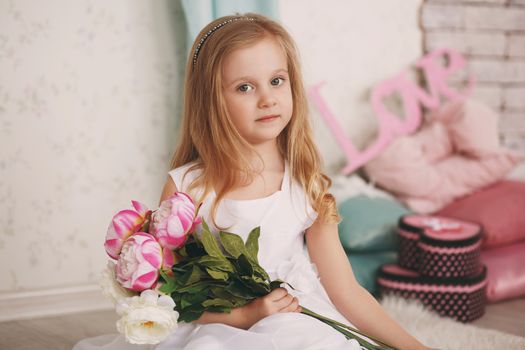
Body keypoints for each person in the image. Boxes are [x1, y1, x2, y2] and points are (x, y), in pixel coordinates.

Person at [74, 13, 436, 350]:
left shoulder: (306, 184)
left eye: (277, 81)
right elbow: (168, 296)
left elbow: (345, 291)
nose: (267, 99)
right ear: (212, 101)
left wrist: (414, 347)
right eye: (245, 87)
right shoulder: (189, 188)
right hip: (219, 325)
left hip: (295, 318)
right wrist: (245, 315)